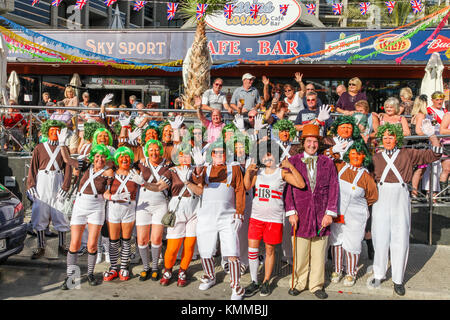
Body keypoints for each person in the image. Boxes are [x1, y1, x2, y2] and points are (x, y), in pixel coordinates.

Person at [369, 122, 443, 296]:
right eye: (385, 137)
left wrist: (432, 135)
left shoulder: (408, 153)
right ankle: (379, 273)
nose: (387, 140)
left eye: (391, 136)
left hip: (400, 195)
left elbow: (435, 155)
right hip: (381, 195)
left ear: (397, 138)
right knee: (379, 237)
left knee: (400, 237)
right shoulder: (375, 157)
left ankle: (398, 279)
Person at [284, 124, 339, 299]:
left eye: (315, 142)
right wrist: (291, 211)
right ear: (303, 142)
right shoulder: (292, 161)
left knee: (318, 252)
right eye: (309, 141)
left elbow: (334, 188)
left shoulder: (327, 162)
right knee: (300, 252)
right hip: (300, 213)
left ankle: (316, 284)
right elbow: (287, 190)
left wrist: (330, 213)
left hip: (321, 213)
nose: (312, 145)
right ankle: (299, 283)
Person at [243, 143, 305, 297]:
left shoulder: (281, 172)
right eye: (264, 155)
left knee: (270, 250)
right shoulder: (258, 172)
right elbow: (246, 187)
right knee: (252, 250)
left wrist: (289, 165)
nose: (267, 157)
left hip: (274, 219)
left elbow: (301, 184)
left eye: (270, 154)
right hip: (256, 217)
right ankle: (254, 281)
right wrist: (247, 173)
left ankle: (265, 281)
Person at [140, 143, 203, 287]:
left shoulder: (197, 170)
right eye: (181, 155)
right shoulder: (171, 171)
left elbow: (200, 192)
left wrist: (188, 180)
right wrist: (144, 184)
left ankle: (183, 270)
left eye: (187, 154)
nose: (184, 157)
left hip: (194, 210)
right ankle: (168, 270)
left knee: (189, 245)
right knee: (173, 246)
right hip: (177, 210)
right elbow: (158, 187)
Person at [191, 139, 246, 300]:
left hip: (227, 216)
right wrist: (199, 167)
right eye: (216, 152)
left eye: (223, 152)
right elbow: (197, 183)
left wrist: (240, 212)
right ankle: (210, 275)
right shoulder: (205, 167)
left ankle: (236, 286)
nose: (219, 155)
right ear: (211, 154)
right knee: (205, 250)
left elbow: (240, 190)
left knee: (232, 252)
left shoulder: (234, 167)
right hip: (206, 216)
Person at [61, 144, 114, 289]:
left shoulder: (109, 172)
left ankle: (90, 274)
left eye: (103, 156)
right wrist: (62, 143)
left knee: (91, 245)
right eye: (97, 156)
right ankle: (71, 276)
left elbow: (108, 191)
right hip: (80, 205)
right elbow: (66, 159)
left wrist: (111, 195)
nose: (100, 159)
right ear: (93, 157)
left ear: (106, 158)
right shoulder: (85, 165)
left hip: (97, 207)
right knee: (74, 244)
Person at [329, 140, 378, 287]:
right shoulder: (340, 167)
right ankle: (337, 269)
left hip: (356, 216)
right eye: (353, 153)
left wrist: (356, 208)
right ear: (348, 155)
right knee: (336, 239)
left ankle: (351, 272)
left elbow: (372, 197)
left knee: (353, 242)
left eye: (360, 154)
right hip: (338, 211)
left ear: (364, 157)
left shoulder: (366, 177)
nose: (356, 156)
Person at [26, 120, 72, 259]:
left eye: (57, 131)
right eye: (52, 130)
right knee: (40, 213)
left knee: (60, 213)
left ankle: (62, 245)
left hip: (57, 181)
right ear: (47, 131)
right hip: (42, 183)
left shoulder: (64, 148)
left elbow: (69, 168)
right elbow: (32, 169)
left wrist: (65, 187)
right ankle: (41, 246)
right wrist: (31, 185)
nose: (54, 133)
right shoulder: (39, 148)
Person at [133, 139, 171, 281]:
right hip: (143, 205)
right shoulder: (141, 163)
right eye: (151, 150)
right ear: (147, 151)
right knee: (142, 240)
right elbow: (124, 162)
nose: (154, 152)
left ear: (160, 150)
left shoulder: (167, 164)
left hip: (160, 204)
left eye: (157, 150)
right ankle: (145, 267)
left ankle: (155, 267)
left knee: (156, 238)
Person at [103, 147, 140, 282]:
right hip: (114, 208)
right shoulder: (111, 173)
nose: (124, 159)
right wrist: (114, 197)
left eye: (127, 157)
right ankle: (113, 267)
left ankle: (124, 266)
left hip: (129, 209)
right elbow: (105, 194)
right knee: (113, 241)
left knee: (126, 240)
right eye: (121, 157)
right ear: (117, 159)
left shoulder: (135, 173)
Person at [440, 112, 450, 201]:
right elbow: (442, 130)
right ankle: (443, 194)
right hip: (448, 144)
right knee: (447, 169)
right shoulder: (448, 115)